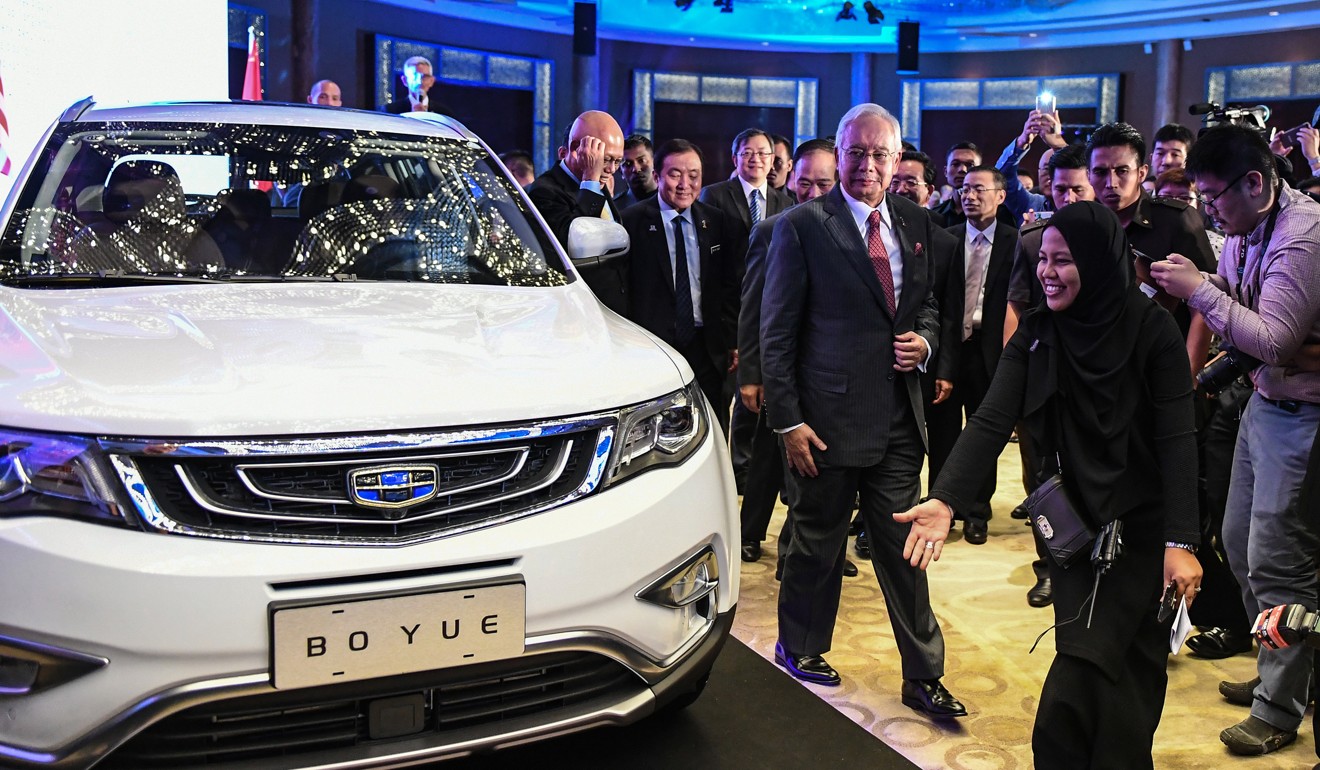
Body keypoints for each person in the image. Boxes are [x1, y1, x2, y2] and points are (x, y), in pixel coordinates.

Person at [900, 200, 1202, 767]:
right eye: (1044, 259)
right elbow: (991, 418)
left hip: (1142, 532)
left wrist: (1182, 542)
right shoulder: (1040, 333)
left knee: (1124, 671)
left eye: (1063, 261)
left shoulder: (1152, 330)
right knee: (1086, 662)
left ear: (1097, 260)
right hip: (1073, 529)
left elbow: (1177, 440)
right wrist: (944, 498)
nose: (1047, 272)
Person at [760, 103, 964, 718]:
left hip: (900, 421)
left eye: (881, 154)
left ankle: (923, 676)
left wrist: (925, 343)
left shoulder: (916, 223)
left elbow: (925, 307)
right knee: (817, 547)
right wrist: (788, 422)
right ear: (839, 154)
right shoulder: (800, 226)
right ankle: (798, 647)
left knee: (905, 550)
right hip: (823, 424)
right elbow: (776, 332)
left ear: (897, 159)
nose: (868, 164)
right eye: (857, 153)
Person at [1151, 123, 1320, 756]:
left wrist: (1200, 291)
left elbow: (1272, 338)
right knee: (1240, 545)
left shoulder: (1302, 237)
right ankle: (1284, 670)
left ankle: (1279, 707)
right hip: (1264, 401)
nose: (1209, 208)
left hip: (1303, 417)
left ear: (1256, 182)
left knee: (1279, 560)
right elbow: (1244, 309)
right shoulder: (1252, 227)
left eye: (1214, 195)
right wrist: (1205, 284)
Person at [738, 138, 854, 578]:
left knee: (825, 467)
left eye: (823, 183)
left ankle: (811, 551)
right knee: (772, 461)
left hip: (832, 377)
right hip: (781, 371)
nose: (811, 192)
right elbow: (754, 310)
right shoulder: (772, 229)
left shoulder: (856, 233)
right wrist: (753, 373)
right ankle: (758, 536)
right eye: (803, 182)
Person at [1000, 143, 1096, 608]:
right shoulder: (1033, 238)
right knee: (1041, 474)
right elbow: (1017, 305)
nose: (1070, 197)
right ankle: (1050, 566)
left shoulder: (1110, 238)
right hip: (1042, 368)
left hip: (1096, 378)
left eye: (1079, 187)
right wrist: (1013, 377)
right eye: (1061, 189)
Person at [927, 167, 1019, 545]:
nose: (970, 196)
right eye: (965, 189)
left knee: (984, 435)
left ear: (1000, 196)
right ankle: (942, 505)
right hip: (951, 350)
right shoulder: (947, 240)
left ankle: (978, 511)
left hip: (992, 350)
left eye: (979, 189)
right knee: (944, 435)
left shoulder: (1017, 243)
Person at [700, 128, 794, 492]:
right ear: (735, 157)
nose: (755, 159)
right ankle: (736, 472)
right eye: (748, 152)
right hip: (730, 309)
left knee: (766, 394)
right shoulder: (715, 196)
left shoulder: (784, 202)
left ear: (773, 160)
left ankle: (763, 470)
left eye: (763, 153)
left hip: (774, 308)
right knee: (736, 396)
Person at [621, 139, 737, 431]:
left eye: (694, 175)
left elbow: (729, 286)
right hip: (653, 348)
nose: (685, 183)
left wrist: (732, 339)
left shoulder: (717, 221)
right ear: (658, 176)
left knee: (712, 429)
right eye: (675, 174)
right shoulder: (632, 221)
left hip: (707, 348)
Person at [1087, 121, 1215, 379]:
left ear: (1142, 172)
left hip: (1161, 368)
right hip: (1095, 369)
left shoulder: (1176, 220)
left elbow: (1205, 306)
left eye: (1122, 171)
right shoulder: (1084, 225)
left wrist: (1188, 377)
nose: (1111, 183)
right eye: (1100, 172)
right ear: (1088, 174)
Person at [526, 111, 627, 313]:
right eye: (605, 159)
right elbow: (578, 245)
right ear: (575, 149)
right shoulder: (545, 191)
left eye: (618, 161)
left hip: (613, 304)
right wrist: (590, 179)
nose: (612, 169)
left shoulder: (599, 182)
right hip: (578, 310)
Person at [384, 56, 453, 116]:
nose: (420, 81)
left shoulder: (443, 113)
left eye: (425, 77)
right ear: (405, 80)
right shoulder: (391, 111)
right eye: (415, 76)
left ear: (431, 81)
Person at [616, 134, 657, 209]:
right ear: (621, 171)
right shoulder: (614, 209)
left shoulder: (672, 202)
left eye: (642, 161)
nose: (636, 169)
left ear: (654, 162)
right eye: (628, 164)